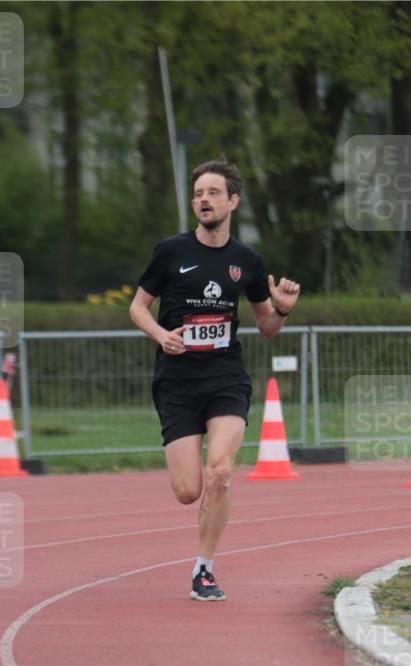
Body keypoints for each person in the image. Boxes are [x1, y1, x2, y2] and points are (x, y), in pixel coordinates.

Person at [129, 156, 300, 601]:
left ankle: (203, 569)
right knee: (189, 491)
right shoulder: (171, 251)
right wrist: (162, 335)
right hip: (177, 382)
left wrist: (281, 307)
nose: (204, 200)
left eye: (213, 193)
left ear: (232, 201)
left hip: (226, 377)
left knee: (220, 472)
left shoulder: (247, 260)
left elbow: (266, 328)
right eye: (199, 194)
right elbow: (136, 307)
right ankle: (200, 531)